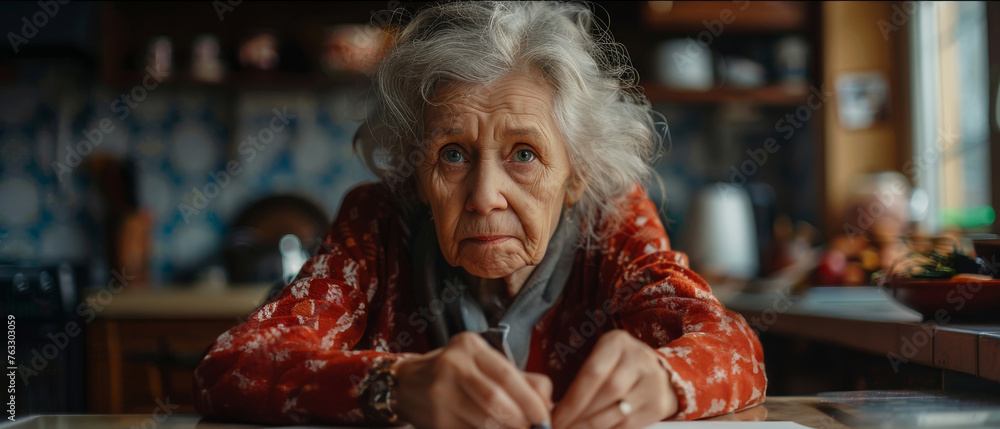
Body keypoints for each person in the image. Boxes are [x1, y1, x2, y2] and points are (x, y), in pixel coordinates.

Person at [193, 2, 766, 428]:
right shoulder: (377, 222)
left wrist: (664, 382)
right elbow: (231, 366)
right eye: (453, 154)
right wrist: (392, 383)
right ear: (417, 173)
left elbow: (732, 349)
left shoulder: (612, 220)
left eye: (524, 153)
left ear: (577, 174)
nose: (484, 195)